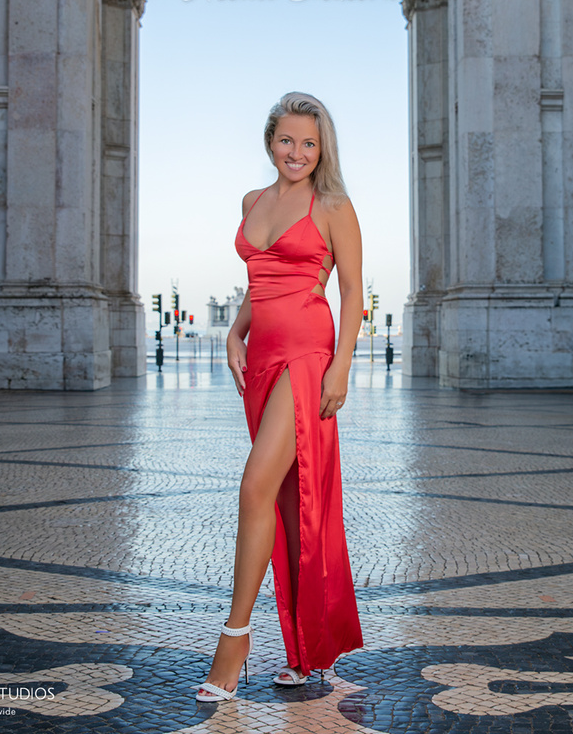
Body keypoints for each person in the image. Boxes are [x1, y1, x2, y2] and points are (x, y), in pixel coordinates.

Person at [196, 91, 364, 703]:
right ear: (270, 141)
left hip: (308, 355)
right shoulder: (252, 201)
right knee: (287, 505)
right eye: (287, 140)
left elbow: (351, 291)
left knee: (254, 487)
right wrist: (236, 331)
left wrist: (341, 368)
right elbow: (258, 279)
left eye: (309, 144)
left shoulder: (333, 205)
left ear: (324, 150)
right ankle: (302, 652)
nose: (297, 152)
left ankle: (233, 641)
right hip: (262, 356)